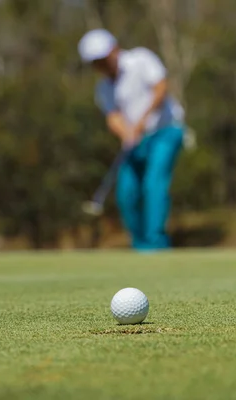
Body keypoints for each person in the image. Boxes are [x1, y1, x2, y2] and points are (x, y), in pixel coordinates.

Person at [78, 29, 185, 252]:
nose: (101, 65)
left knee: (153, 184)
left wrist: (142, 120)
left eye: (103, 59)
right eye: (95, 63)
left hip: (165, 130)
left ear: (114, 50)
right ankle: (140, 246)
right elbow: (113, 117)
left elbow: (160, 88)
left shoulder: (140, 59)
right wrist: (126, 133)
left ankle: (157, 244)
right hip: (136, 141)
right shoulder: (103, 88)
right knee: (126, 192)